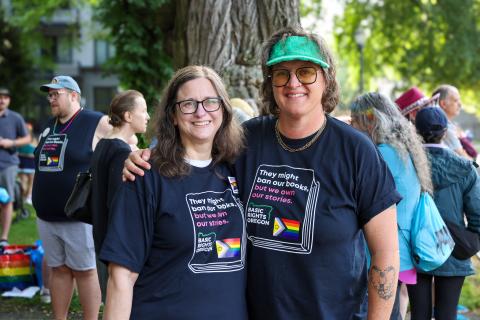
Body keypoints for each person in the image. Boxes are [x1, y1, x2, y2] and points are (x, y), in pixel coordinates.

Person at [124, 27, 402, 319]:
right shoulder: (245, 140)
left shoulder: (356, 151)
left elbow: (385, 254)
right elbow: (193, 160)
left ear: (326, 79)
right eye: (281, 73)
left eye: (305, 72)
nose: (293, 83)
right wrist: (142, 158)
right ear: (270, 83)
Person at [100, 66, 247, 319]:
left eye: (210, 102)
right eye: (188, 104)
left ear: (223, 109)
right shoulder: (146, 175)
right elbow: (121, 276)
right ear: (173, 116)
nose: (201, 112)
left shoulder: (238, 168)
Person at [32, 75, 111, 320]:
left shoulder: (95, 121)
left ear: (74, 95)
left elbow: (126, 142)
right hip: (47, 215)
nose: (51, 99)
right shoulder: (50, 125)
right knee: (59, 270)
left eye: (57, 94)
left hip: (78, 215)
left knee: (85, 271)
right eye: (50, 95)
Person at [350, 92, 433, 320]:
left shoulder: (381, 154)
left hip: (382, 251)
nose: (351, 126)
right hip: (402, 247)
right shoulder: (401, 150)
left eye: (354, 120)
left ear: (371, 120)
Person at [410, 107, 480, 319]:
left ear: (415, 130)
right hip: (452, 248)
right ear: (445, 131)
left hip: (415, 248)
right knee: (447, 314)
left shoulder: (407, 165)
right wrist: (467, 241)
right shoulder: (466, 168)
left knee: (418, 314)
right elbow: (477, 215)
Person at [90, 90, 150, 302]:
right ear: (128, 116)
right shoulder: (120, 153)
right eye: (143, 111)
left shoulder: (104, 144)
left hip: (101, 237)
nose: (148, 116)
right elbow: (121, 205)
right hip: (117, 248)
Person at [0, 87, 31, 247]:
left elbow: (27, 138)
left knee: (6, 200)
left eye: (5, 97)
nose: (2, 100)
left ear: (9, 100)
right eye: (0, 97)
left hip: (8, 165)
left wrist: (10, 142)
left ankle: (3, 239)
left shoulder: (15, 117)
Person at [432, 84, 476, 160]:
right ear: (443, 104)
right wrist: (477, 165)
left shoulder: (442, 124)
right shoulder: (445, 127)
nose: (460, 104)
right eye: (456, 100)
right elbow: (465, 158)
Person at [17, 122, 37, 205]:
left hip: (32, 164)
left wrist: (32, 155)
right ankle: (22, 196)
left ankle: (28, 197)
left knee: (31, 182)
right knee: (23, 182)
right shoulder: (19, 139)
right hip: (22, 164)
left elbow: (37, 151)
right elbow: (16, 152)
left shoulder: (34, 139)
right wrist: (26, 155)